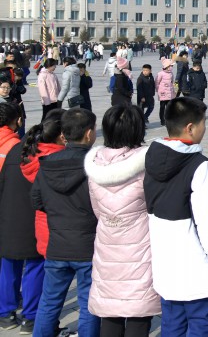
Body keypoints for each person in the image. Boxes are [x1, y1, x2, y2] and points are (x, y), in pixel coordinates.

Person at [143, 97, 208, 336]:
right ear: (190, 127)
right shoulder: (201, 166)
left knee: (172, 326)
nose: (205, 128)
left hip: (166, 266)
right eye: (203, 123)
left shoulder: (152, 155)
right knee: (201, 327)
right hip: (196, 268)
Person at [84, 104, 161, 337]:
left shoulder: (95, 164)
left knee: (111, 312)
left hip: (107, 245)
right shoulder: (147, 163)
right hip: (141, 248)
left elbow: (97, 209)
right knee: (139, 314)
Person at [31, 108, 100, 337]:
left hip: (57, 244)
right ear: (89, 133)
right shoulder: (95, 166)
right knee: (88, 303)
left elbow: (37, 200)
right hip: (87, 245)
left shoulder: (47, 163)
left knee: (49, 301)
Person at [0, 104, 39, 333]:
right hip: (15, 207)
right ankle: (28, 315)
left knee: (7, 262)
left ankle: (5, 311)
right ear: (17, 121)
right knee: (30, 262)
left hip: (6, 209)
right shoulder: (16, 147)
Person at [154, 59, 175, 126]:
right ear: (167, 66)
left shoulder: (171, 73)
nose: (171, 67)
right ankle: (162, 120)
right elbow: (157, 82)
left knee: (169, 107)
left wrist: (173, 90)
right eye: (170, 66)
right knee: (162, 107)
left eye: (172, 66)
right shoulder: (160, 74)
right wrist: (158, 90)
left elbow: (172, 82)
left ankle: (169, 119)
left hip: (169, 93)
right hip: (163, 93)